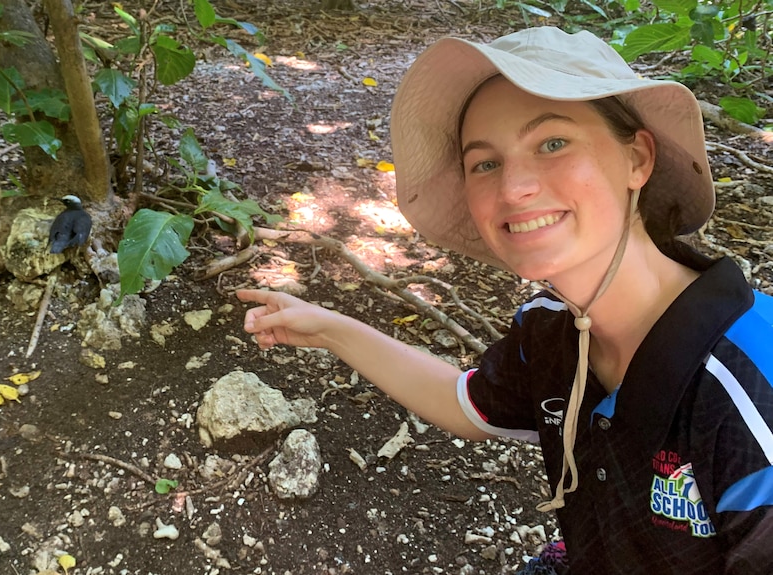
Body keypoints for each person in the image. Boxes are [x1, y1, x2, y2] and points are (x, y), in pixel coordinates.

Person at [237, 27, 773, 574]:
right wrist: (328, 329)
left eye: (553, 143)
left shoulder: (749, 394)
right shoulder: (554, 329)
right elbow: (466, 403)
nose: (514, 188)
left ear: (637, 158)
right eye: (485, 163)